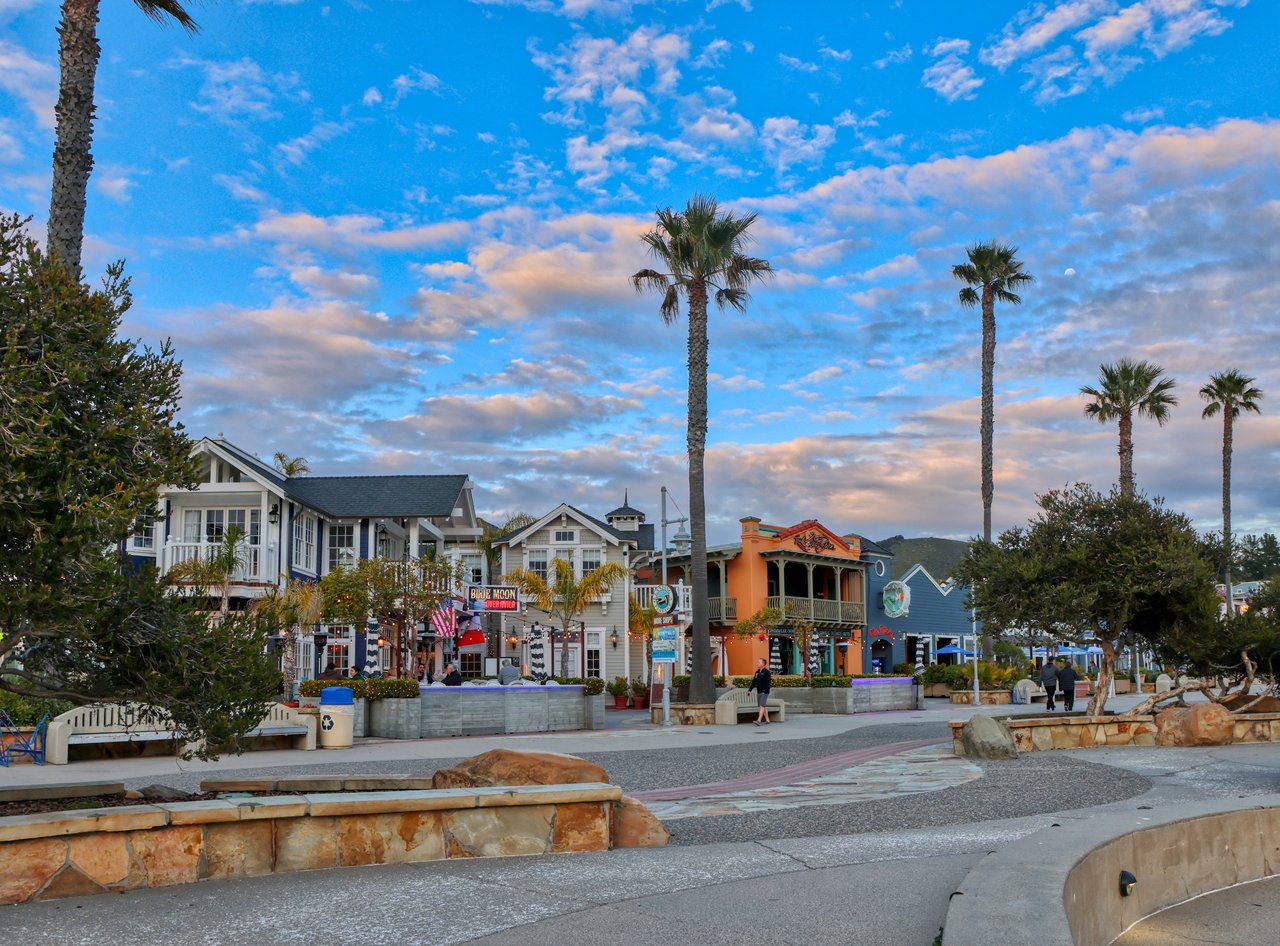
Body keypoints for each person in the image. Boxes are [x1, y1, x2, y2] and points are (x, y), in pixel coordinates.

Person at [746, 657, 772, 726]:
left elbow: (768, 683)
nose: (757, 663)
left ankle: (759, 720)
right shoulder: (757, 672)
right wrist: (749, 690)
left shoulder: (767, 672)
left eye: (759, 662)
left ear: (763, 664)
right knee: (763, 706)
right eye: (757, 662)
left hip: (764, 692)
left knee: (762, 705)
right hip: (759, 691)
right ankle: (767, 720)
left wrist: (766, 691)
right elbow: (754, 682)